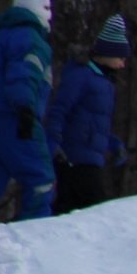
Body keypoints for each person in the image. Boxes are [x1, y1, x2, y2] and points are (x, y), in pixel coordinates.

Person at [46, 14, 130, 213]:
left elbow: (95, 123)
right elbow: (59, 110)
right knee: (95, 211)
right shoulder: (81, 76)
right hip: (72, 156)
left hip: (90, 158)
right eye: (120, 58)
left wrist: (113, 143)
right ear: (108, 53)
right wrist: (54, 142)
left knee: (73, 210)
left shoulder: (105, 82)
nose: (122, 64)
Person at [0, 0, 56, 222]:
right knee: (40, 178)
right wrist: (25, 110)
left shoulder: (4, 34)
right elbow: (25, 73)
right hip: (16, 119)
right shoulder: (31, 38)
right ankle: (36, 235)